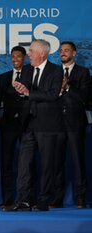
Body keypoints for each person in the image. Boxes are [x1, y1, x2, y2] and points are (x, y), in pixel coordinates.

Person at [7, 39, 63, 211]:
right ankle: (24, 200)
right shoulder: (26, 70)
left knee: (46, 165)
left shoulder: (56, 71)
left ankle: (43, 201)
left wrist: (29, 93)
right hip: (28, 124)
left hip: (47, 124)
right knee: (24, 164)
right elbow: (26, 94)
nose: (28, 54)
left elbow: (53, 95)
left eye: (31, 51)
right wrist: (21, 91)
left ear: (42, 53)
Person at [50, 41, 90, 209]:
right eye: (61, 50)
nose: (63, 53)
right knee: (56, 162)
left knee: (77, 160)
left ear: (74, 54)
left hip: (75, 123)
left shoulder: (83, 72)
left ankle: (80, 197)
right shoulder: (53, 72)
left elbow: (85, 98)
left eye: (66, 50)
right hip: (56, 123)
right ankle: (57, 197)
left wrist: (68, 88)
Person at [0, 46, 27, 208]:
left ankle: (28, 198)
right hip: (7, 126)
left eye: (18, 56)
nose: (15, 59)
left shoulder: (30, 75)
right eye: (13, 56)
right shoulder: (3, 78)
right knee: (7, 163)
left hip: (27, 125)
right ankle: (7, 199)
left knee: (27, 163)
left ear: (25, 57)